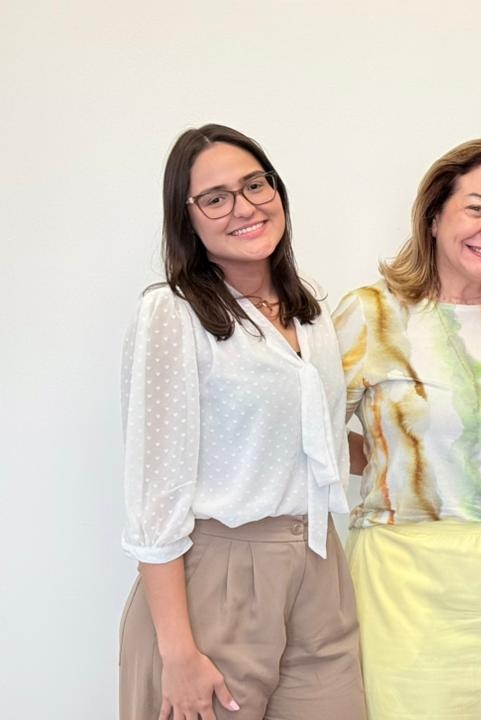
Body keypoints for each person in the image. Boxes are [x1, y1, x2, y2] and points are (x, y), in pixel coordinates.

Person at [119, 124, 365, 719]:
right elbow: (155, 493)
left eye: (255, 185)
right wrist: (178, 652)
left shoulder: (309, 312)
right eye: (215, 198)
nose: (245, 207)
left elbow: (317, 441)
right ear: (187, 219)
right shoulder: (172, 313)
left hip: (319, 564)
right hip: (217, 579)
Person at [334, 139, 481, 719]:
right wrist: (395, 454)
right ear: (434, 215)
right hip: (408, 582)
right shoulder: (373, 313)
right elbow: (308, 434)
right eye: (478, 208)